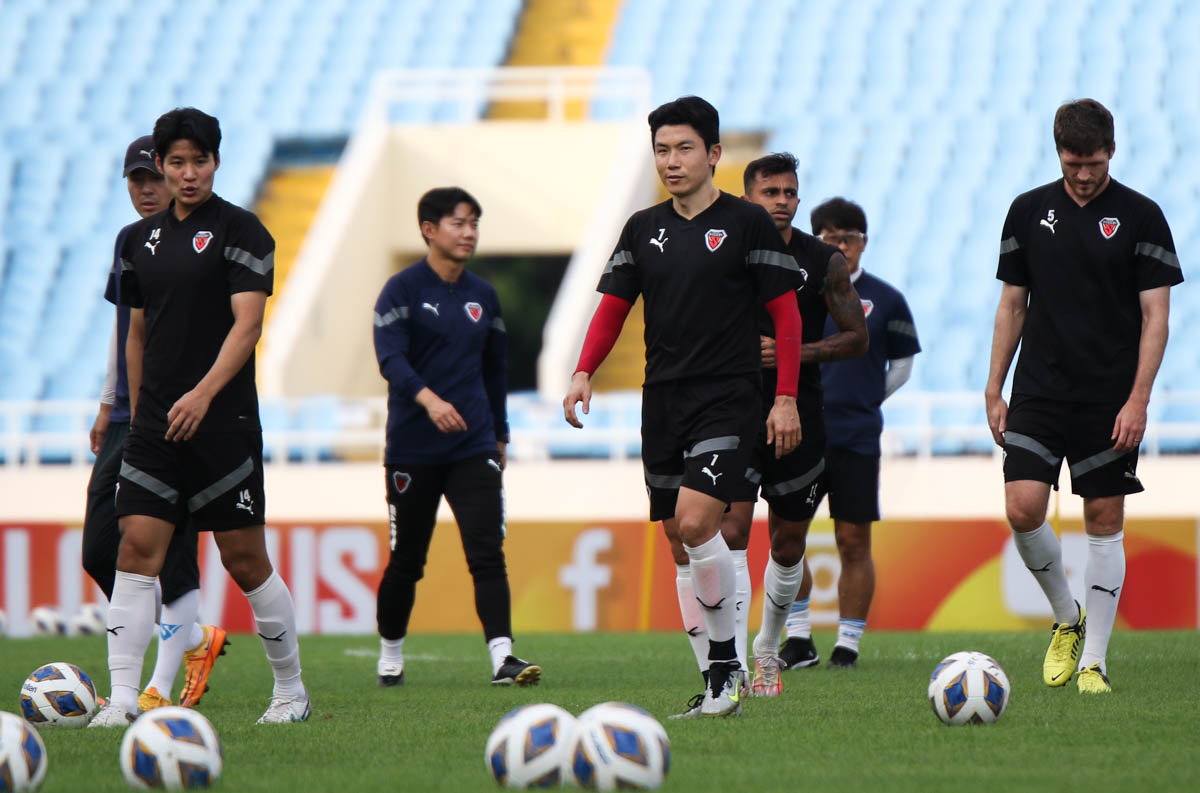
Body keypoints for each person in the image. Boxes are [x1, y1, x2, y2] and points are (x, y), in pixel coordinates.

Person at [563, 97, 806, 718]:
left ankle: (728, 670)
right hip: (662, 400)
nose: (671, 161)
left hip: (729, 396)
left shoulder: (748, 223)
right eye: (662, 150)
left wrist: (785, 398)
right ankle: (713, 682)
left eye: (684, 149)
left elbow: (785, 314)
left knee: (700, 523)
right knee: (678, 541)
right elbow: (614, 306)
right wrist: (584, 369)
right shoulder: (642, 229)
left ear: (714, 154)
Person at [90, 108, 309, 726]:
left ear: (217, 162)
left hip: (223, 425)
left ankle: (291, 692)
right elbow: (134, 333)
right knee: (136, 548)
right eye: (177, 163)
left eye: (200, 161)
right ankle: (126, 699)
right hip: (156, 429)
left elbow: (249, 325)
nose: (189, 174)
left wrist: (204, 394)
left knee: (244, 561)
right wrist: (139, 410)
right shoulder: (136, 242)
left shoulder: (243, 231)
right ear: (160, 165)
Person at [985, 99, 1181, 694]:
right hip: (1039, 389)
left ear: (1111, 153)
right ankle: (1067, 618)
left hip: (1108, 398)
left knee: (1103, 518)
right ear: (1058, 153)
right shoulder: (1027, 211)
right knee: (1022, 508)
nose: (1084, 175)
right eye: (1073, 163)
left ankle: (1093, 661)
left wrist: (1138, 399)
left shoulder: (1142, 217)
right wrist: (994, 386)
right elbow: (1012, 304)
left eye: (1093, 163)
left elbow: (1156, 317)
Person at [667, 153, 868, 711]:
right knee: (730, 532)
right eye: (770, 192)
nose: (782, 201)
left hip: (801, 416)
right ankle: (725, 670)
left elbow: (858, 338)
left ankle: (768, 646)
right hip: (729, 416)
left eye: (790, 192)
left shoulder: (822, 260)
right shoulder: (717, 252)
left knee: (787, 544)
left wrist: (791, 353)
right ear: (747, 197)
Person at [82, 136, 228, 714]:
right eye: (136, 180)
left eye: (155, 177)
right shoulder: (132, 243)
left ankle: (155, 689)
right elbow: (125, 333)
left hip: (179, 417)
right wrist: (106, 403)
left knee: (172, 555)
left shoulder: (207, 242)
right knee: (99, 549)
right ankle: (193, 637)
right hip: (127, 420)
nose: (147, 189)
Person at [373, 187, 539, 688]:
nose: (468, 233)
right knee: (408, 562)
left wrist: (500, 436)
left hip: (473, 446)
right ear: (428, 229)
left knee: (487, 552)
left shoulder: (484, 296)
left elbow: (496, 371)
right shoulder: (399, 291)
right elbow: (390, 360)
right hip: (412, 449)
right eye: (458, 223)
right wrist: (429, 400)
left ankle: (503, 659)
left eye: (474, 224)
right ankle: (391, 654)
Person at [779, 197, 921, 671]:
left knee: (854, 541)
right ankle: (798, 638)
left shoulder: (888, 299)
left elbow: (902, 364)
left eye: (850, 238)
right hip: (799, 430)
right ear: (816, 239)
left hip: (857, 435)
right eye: (831, 238)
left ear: (864, 242)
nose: (842, 246)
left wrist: (866, 397)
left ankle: (848, 644)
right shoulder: (795, 290)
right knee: (788, 538)